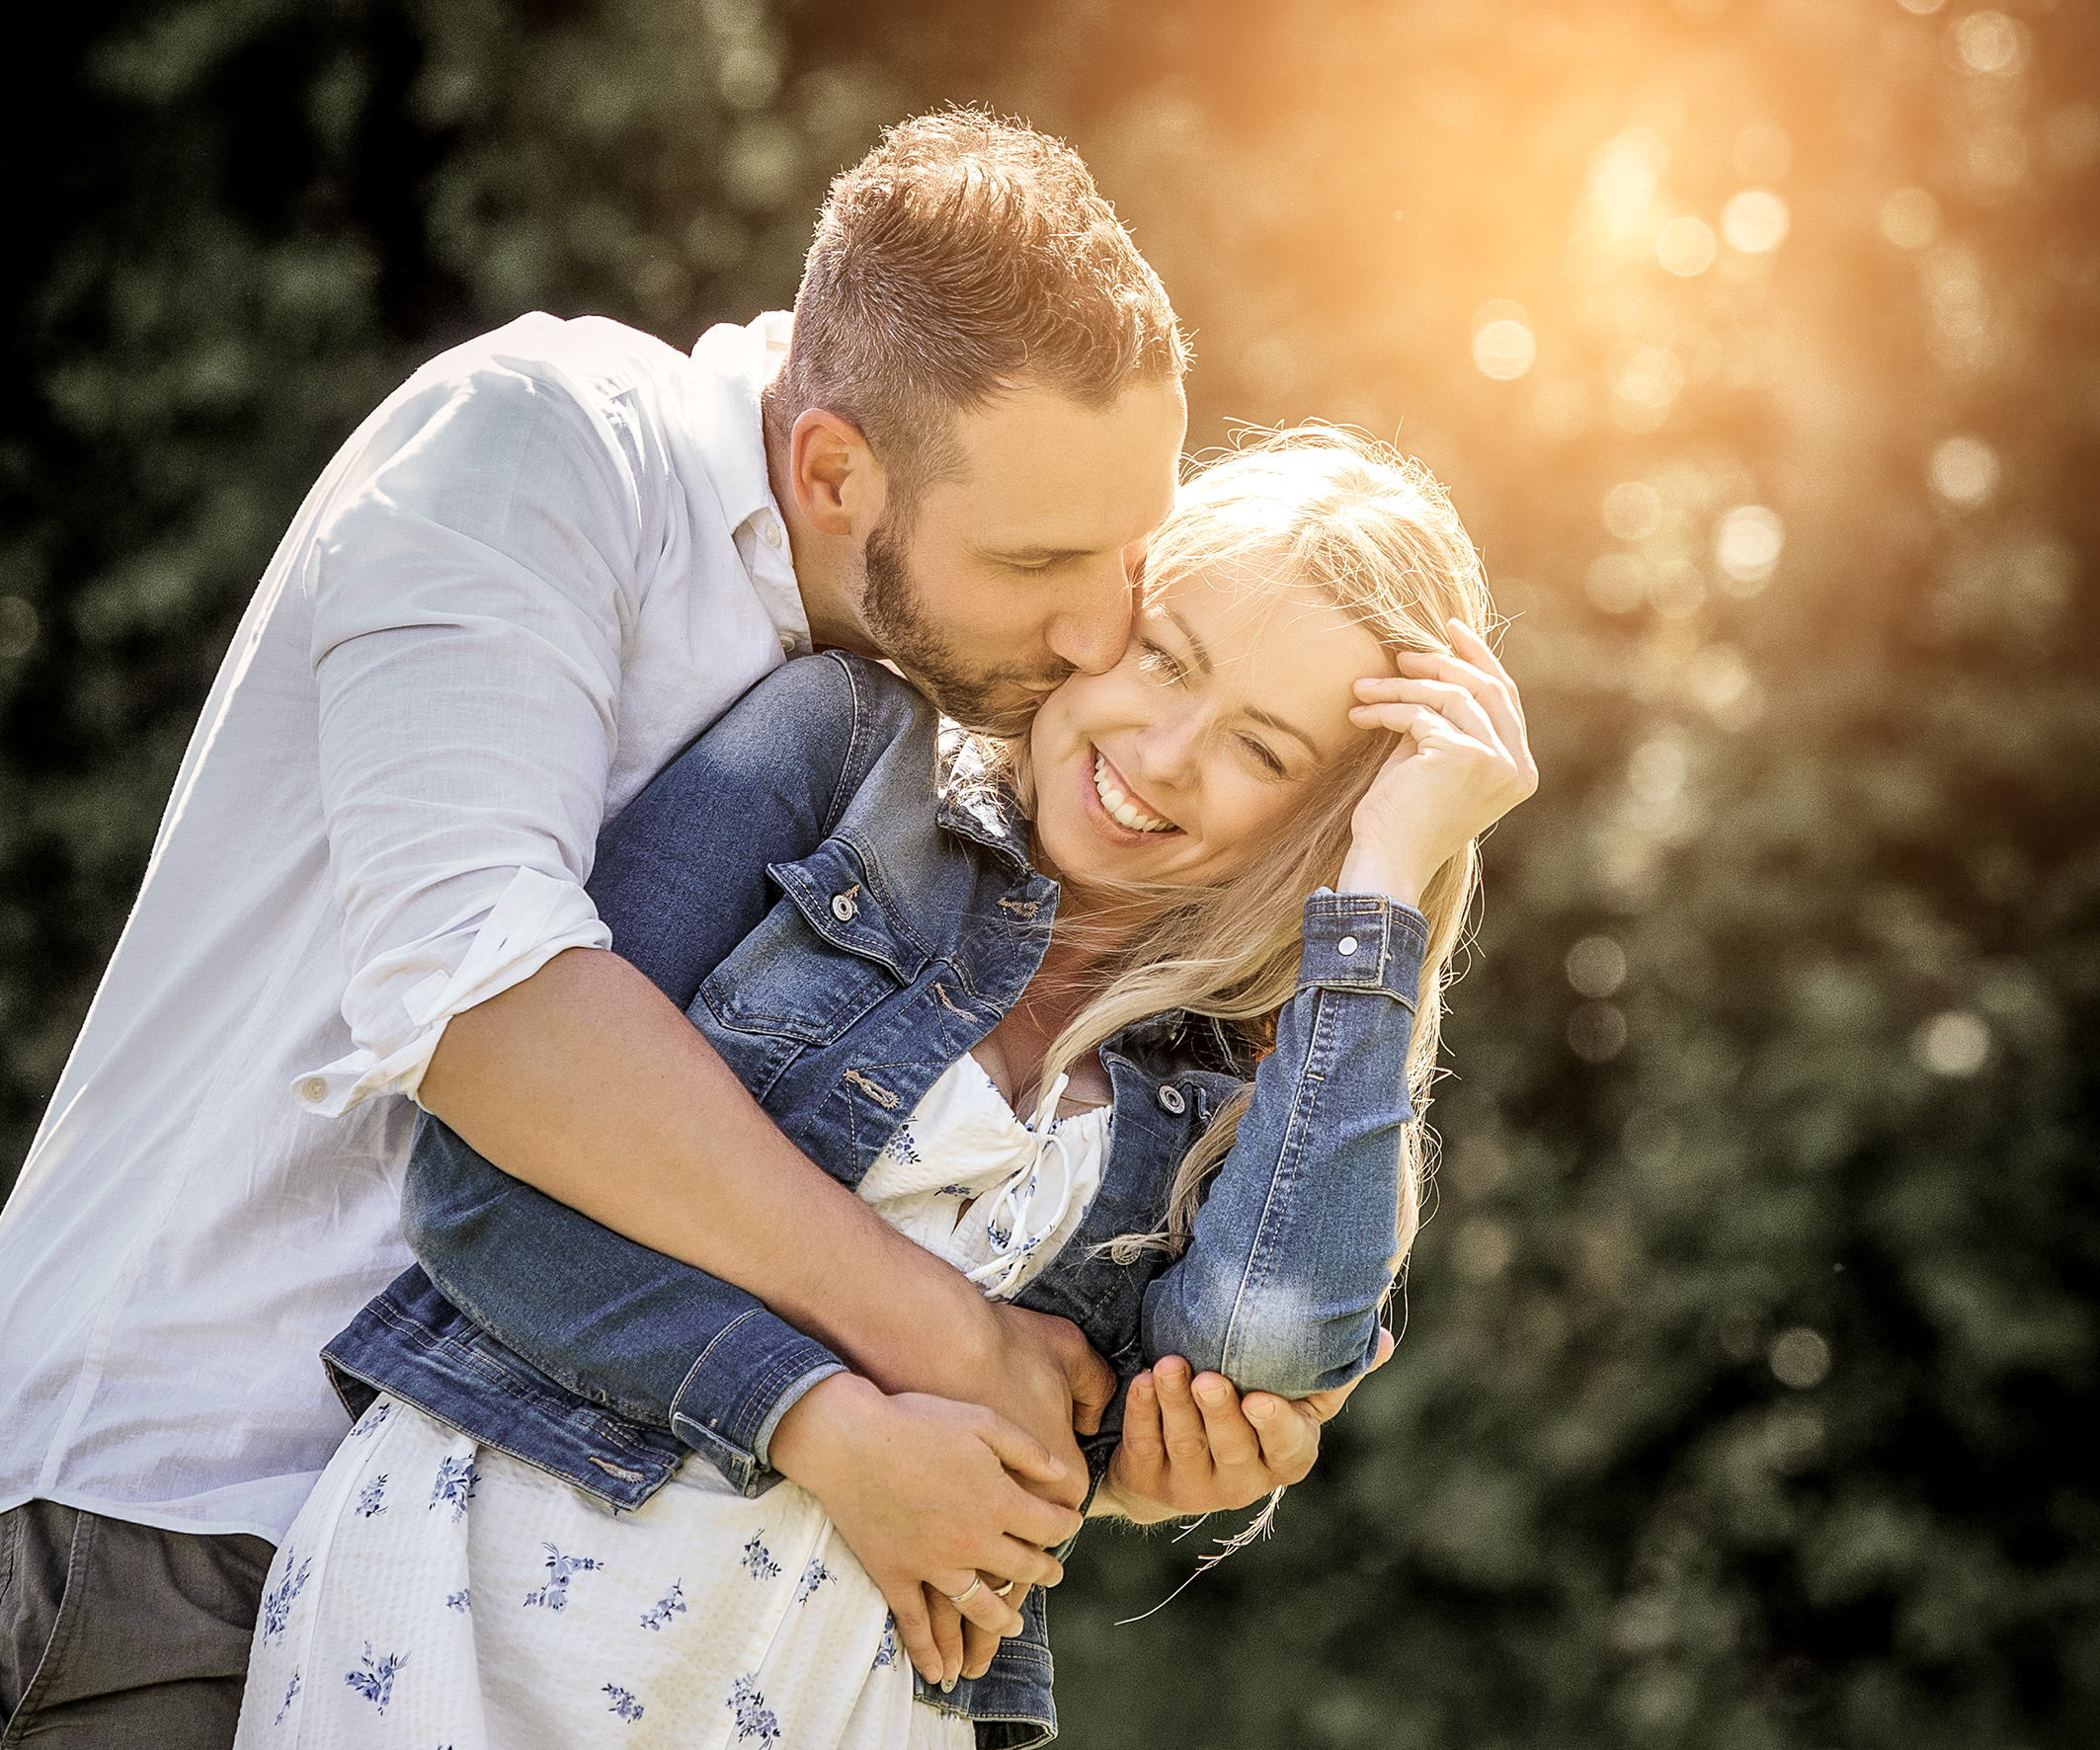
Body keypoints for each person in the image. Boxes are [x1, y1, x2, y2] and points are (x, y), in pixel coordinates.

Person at [0, 112, 1324, 1747]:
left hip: (526, 1571)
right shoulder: (536, 448)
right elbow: (495, 1015)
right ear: (835, 471)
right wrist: (936, 1338)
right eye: (1041, 561)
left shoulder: (942, 717)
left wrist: (1114, 1429)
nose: (1097, 626)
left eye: (1128, 555)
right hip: (192, 1500)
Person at [233, 432, 1538, 1749]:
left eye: (1262, 751)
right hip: (472, 1627)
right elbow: (477, 1185)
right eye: (1164, 656)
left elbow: (1251, 1356)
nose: (1165, 749)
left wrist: (1380, 888)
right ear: (1110, 610)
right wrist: (821, 1426)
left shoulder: (1219, 1077)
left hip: (847, 1700)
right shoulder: (846, 755)